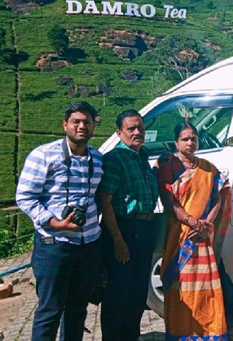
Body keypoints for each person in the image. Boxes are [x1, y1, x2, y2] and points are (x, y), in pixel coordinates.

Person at [16, 102, 105, 341]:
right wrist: (53, 222)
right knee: (50, 310)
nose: (82, 126)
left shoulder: (97, 158)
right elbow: (24, 196)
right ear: (65, 124)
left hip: (88, 244)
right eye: (76, 121)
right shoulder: (43, 155)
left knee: (78, 309)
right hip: (54, 244)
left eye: (87, 121)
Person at [158, 123, 231, 341]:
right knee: (179, 286)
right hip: (180, 235)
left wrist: (206, 223)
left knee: (205, 287)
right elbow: (168, 200)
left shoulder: (208, 168)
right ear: (176, 143)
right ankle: (181, 334)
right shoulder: (167, 165)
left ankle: (210, 334)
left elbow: (219, 196)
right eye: (185, 139)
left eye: (193, 138)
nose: (190, 142)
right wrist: (192, 222)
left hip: (202, 237)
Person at [97, 110, 160, 341]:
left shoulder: (142, 157)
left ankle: (131, 336)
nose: (137, 132)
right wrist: (117, 240)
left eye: (140, 128)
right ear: (119, 132)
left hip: (144, 229)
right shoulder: (116, 159)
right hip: (124, 228)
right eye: (131, 128)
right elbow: (105, 200)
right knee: (117, 292)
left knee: (137, 291)